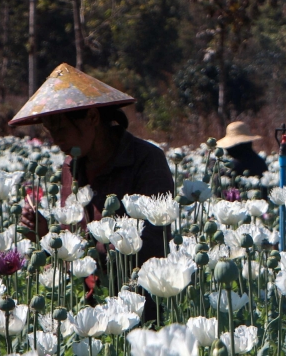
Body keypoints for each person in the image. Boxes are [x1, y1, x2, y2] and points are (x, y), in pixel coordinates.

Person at [12, 63, 174, 275]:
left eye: (61, 128)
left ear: (92, 117)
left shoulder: (145, 160)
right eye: (50, 131)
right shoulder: (71, 166)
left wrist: (89, 260)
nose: (56, 139)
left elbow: (153, 246)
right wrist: (46, 236)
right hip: (86, 302)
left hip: (137, 295)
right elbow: (74, 238)